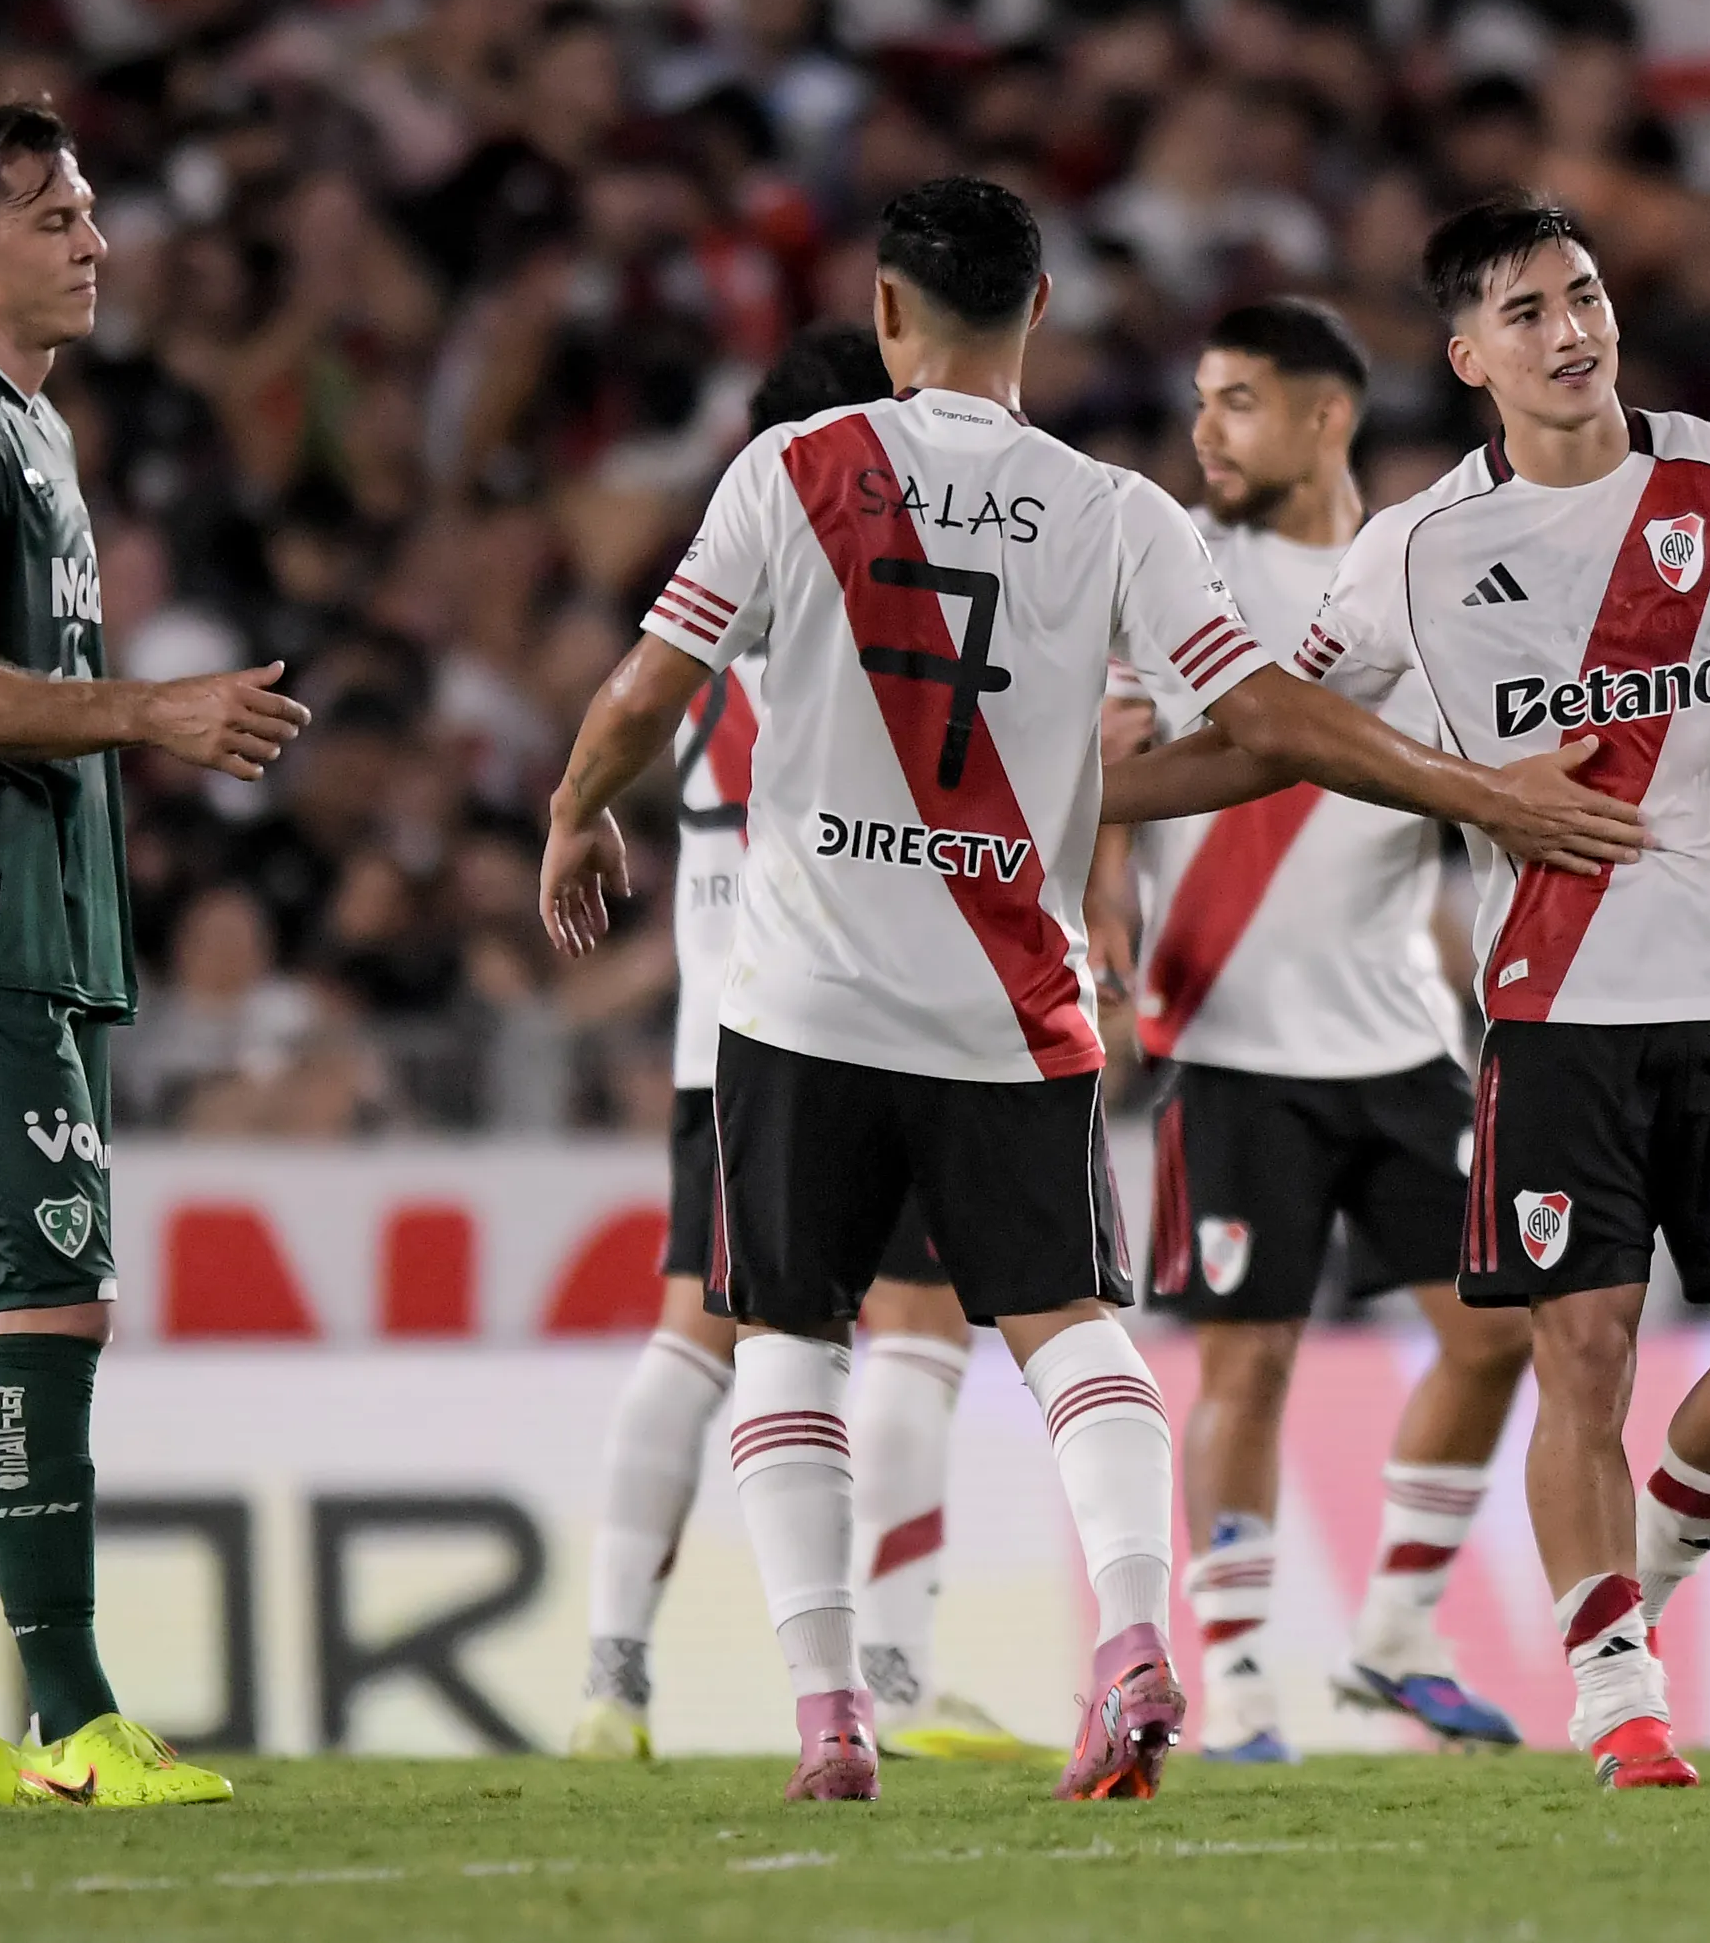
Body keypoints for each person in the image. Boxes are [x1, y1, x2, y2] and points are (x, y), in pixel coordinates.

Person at [538, 175, 1645, 1805]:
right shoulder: (1118, 510)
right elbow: (1268, 720)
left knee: (785, 1341)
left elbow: (652, 685)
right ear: (1039, 313)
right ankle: (1135, 1634)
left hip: (809, 1000)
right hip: (1011, 995)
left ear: (890, 313)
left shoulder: (795, 467)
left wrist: (576, 812)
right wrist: (1478, 790)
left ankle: (833, 1705)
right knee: (1076, 1337)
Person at [1110, 196, 1710, 1790]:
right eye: (1527, 313)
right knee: (1582, 1357)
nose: (1571, 330)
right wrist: (1086, 803)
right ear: (1469, 356)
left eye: (1586, 295)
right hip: (1553, 1021)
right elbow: (1275, 730)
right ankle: (1618, 1694)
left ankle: (1633, 1599)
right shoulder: (1415, 548)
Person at [0, 100, 312, 1811]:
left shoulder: (30, 428)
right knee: (47, 1303)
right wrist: (155, 713)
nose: (95, 241)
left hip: (24, 924)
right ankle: (74, 1717)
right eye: (53, 218)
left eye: (91, 211)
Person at [574, 322, 1045, 1769]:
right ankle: (891, 1671)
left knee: (696, 1332)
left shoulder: (715, 600)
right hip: (859, 1017)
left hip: (727, 1032)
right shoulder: (873, 593)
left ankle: (612, 1677)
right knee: (908, 1327)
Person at [1093, 299, 1533, 1763]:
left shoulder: (1417, 568)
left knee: (1494, 1338)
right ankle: (1244, 1688)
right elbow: (1109, 763)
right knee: (1247, 1361)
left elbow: (1472, 774)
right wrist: (1103, 934)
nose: (1205, 432)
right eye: (1201, 401)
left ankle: (1394, 1637)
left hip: (1402, 1035)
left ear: (1325, 415)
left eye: (1235, 402)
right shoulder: (1177, 571)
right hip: (1228, 1037)